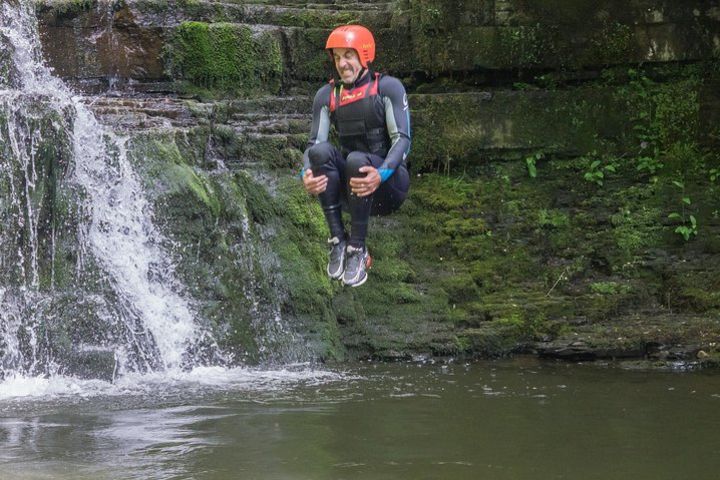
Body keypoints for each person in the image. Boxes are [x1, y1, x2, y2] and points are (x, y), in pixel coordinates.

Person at [301, 25, 411, 287]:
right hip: (352, 190)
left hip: (388, 186)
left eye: (348, 55)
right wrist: (305, 174)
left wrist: (381, 173)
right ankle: (338, 240)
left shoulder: (387, 88)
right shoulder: (327, 95)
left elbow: (403, 141)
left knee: (356, 160)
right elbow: (313, 143)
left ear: (364, 55)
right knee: (320, 153)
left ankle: (358, 249)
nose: (342, 63)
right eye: (337, 57)